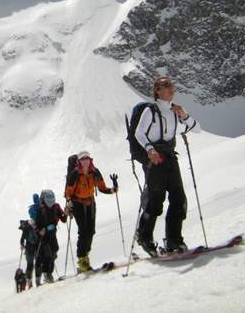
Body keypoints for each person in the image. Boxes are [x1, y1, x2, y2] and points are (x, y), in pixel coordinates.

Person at [134, 76, 201, 256]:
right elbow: (139, 133)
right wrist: (149, 149)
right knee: (156, 200)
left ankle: (173, 239)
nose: (172, 89)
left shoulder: (175, 110)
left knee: (178, 198)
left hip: (170, 158)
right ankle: (144, 236)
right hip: (155, 159)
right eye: (166, 86)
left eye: (171, 85)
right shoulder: (151, 111)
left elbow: (197, 128)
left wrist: (183, 115)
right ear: (158, 91)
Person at [65, 151, 118, 272]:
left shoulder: (94, 171)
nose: (85, 161)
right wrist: (69, 202)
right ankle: (82, 259)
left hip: (90, 203)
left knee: (91, 231)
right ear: (79, 161)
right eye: (83, 159)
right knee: (83, 231)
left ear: (90, 160)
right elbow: (68, 191)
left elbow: (102, 188)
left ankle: (85, 256)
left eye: (87, 159)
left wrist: (113, 189)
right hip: (78, 204)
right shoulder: (74, 174)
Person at [34, 189, 67, 285]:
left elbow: (63, 218)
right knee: (48, 254)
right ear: (44, 199)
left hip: (52, 234)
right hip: (44, 237)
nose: (51, 200)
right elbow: (36, 224)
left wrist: (67, 211)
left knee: (54, 251)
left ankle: (48, 274)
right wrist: (40, 231)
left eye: (52, 197)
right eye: (48, 197)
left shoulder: (56, 207)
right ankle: (47, 275)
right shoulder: (41, 209)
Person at [18, 218, 38, 289]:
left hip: (31, 249)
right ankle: (30, 282)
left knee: (32, 264)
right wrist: (22, 245)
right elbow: (22, 239)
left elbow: (22, 240)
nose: (34, 226)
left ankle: (30, 282)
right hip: (30, 249)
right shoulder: (27, 230)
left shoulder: (29, 229)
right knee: (31, 265)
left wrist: (22, 245)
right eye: (33, 224)